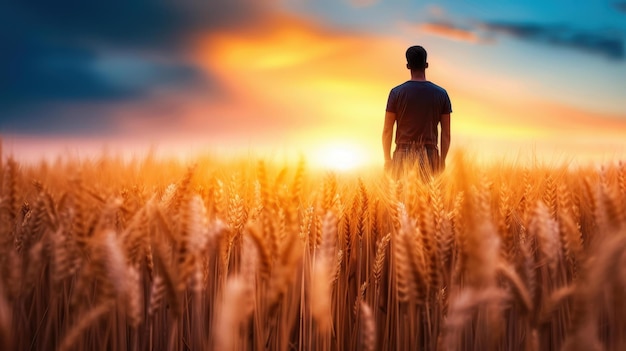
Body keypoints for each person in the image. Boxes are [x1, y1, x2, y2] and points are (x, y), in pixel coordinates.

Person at [382, 45, 452, 178]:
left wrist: (387, 159)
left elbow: (387, 130)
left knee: (401, 197)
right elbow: (446, 133)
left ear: (408, 66)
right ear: (426, 64)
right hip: (430, 154)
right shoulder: (442, 94)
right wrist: (442, 160)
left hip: (402, 153)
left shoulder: (396, 93)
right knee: (427, 198)